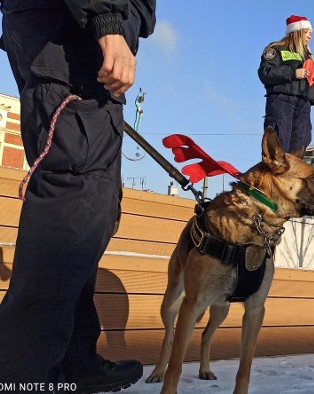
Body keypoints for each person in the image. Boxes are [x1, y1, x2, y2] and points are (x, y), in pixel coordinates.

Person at [0, 0, 156, 391]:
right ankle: (20, 377)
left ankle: (74, 364)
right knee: (73, 209)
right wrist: (106, 21)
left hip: (70, 40)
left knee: (88, 217)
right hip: (75, 42)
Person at [258, 14, 314, 154]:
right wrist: (293, 73)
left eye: (311, 33)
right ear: (296, 32)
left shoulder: (310, 58)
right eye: (307, 32)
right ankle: (275, 176)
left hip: (303, 106)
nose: (310, 36)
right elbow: (265, 72)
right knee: (278, 146)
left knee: (299, 147)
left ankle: (291, 176)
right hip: (281, 102)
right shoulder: (276, 49)